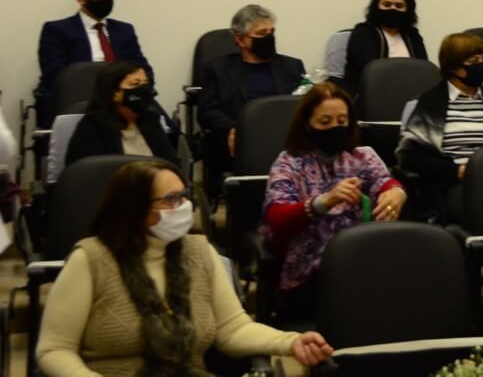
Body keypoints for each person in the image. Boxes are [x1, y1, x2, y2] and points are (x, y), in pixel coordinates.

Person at [36, 159, 332, 376]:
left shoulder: (199, 252)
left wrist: (290, 342)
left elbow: (232, 329)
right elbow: (54, 350)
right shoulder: (91, 259)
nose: (183, 207)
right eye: (170, 200)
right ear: (135, 208)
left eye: (184, 195)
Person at [262, 83, 407, 321]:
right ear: (307, 123)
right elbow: (278, 218)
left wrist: (396, 193)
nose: (335, 128)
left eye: (342, 121)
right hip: (310, 273)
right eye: (325, 122)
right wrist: (324, 202)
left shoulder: (363, 156)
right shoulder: (289, 163)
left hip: (366, 263)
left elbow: (385, 182)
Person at [398, 33, 483, 222]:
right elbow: (409, 155)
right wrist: (457, 171)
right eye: (474, 61)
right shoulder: (433, 101)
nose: (482, 66)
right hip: (456, 184)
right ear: (454, 67)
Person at [197, 5, 306, 192]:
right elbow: (207, 111)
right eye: (262, 33)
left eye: (272, 32)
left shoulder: (292, 66)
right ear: (240, 39)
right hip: (241, 139)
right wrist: (232, 129)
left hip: (285, 136)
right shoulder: (217, 69)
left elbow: (304, 103)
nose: (269, 38)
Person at [37, 0, 153, 127]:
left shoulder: (124, 30)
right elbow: (55, 75)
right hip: (80, 100)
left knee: (164, 128)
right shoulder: (57, 30)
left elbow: (143, 69)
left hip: (125, 100)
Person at [65, 61, 179, 168]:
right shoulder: (93, 126)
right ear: (115, 93)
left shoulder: (151, 120)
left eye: (146, 84)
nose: (144, 90)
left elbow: (173, 164)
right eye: (136, 84)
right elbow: (85, 173)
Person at [343, 0, 429, 94]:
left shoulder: (412, 36)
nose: (392, 9)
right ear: (376, 6)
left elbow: (423, 70)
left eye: (399, 6)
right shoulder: (363, 32)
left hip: (410, 95)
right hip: (372, 97)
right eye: (386, 5)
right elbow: (371, 72)